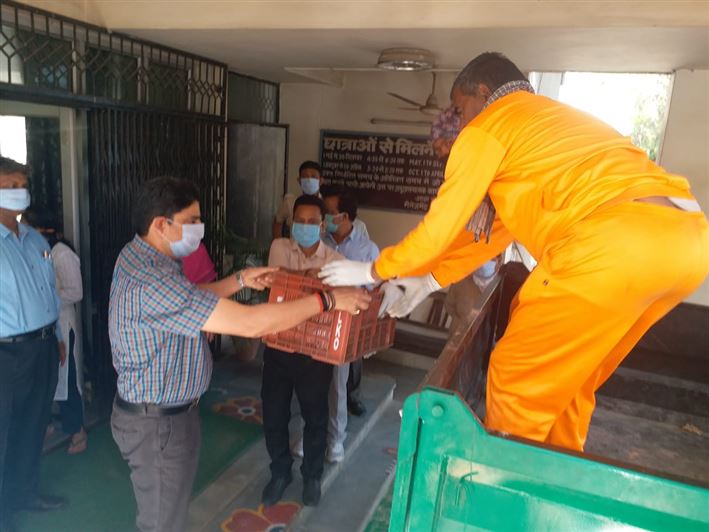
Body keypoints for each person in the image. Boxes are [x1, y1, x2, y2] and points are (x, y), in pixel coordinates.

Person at [320, 52, 709, 453]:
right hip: (687, 242)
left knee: (514, 374)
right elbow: (492, 235)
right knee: (570, 382)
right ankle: (556, 473)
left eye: (459, 108)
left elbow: (442, 224)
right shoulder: (543, 125)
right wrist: (431, 279)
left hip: (613, 242)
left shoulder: (490, 124)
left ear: (483, 93)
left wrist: (374, 271)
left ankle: (504, 492)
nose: (460, 121)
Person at [109, 177, 369, 532]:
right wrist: (328, 300)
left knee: (168, 512)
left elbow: (193, 296)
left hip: (167, 416)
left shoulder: (144, 257)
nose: (200, 229)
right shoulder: (150, 280)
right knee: (161, 523)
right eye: (192, 221)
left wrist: (241, 279)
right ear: (160, 224)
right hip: (157, 424)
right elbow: (249, 324)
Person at [262, 194, 359, 508]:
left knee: (315, 417)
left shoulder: (337, 260)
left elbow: (342, 296)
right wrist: (310, 280)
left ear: (322, 226)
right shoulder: (280, 247)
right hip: (278, 344)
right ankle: (279, 472)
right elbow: (275, 282)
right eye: (298, 221)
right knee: (274, 413)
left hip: (315, 352)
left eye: (310, 222)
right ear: (292, 223)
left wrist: (296, 284)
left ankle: (312, 476)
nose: (303, 227)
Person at [0, 157, 67, 532]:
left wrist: (56, 336)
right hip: (5, 353)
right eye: (8, 186)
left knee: (32, 425)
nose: (18, 192)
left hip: (41, 347)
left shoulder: (35, 239)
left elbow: (48, 294)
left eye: (21, 184)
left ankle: (25, 492)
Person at [320, 186, 397, 462]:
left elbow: (374, 291)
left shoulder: (367, 249)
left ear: (346, 216)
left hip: (347, 326)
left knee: (338, 386)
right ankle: (310, 433)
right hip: (318, 320)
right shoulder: (322, 242)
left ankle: (335, 440)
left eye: (330, 213)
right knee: (310, 382)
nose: (326, 218)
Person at [431, 106, 499, 338]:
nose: (439, 152)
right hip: (464, 278)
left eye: (444, 145)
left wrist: (483, 273)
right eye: (436, 148)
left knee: (463, 348)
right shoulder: (461, 180)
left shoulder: (482, 182)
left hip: (478, 280)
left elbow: (486, 240)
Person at [24, 213, 87, 455]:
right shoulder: (32, 253)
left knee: (65, 379)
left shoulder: (61, 253)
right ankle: (48, 424)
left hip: (61, 325)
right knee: (44, 380)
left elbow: (76, 292)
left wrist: (45, 296)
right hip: (40, 328)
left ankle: (77, 430)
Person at [272, 160, 369, 240]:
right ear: (299, 180)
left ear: (321, 180)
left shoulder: (328, 202)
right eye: (305, 177)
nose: (309, 180)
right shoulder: (290, 202)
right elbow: (278, 221)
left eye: (313, 176)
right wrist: (279, 243)